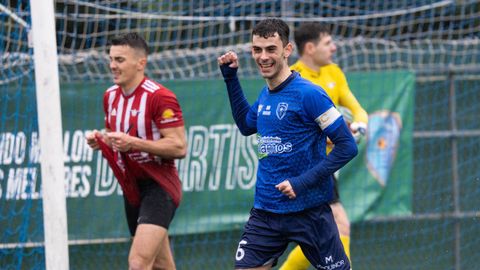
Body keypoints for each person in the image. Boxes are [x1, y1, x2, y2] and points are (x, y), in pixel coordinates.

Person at [217, 18, 357, 270]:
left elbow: (347, 146)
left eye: (271, 49)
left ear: (287, 50)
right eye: (257, 50)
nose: (263, 57)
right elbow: (247, 125)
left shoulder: (310, 94)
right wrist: (230, 78)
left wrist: (300, 183)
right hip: (267, 211)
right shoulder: (265, 94)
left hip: (310, 211)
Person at [86, 32, 186, 270]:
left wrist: (134, 143)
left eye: (120, 60)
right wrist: (101, 139)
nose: (112, 65)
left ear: (141, 63)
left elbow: (179, 146)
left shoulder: (160, 97)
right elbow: (116, 137)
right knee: (162, 265)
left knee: (139, 262)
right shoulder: (110, 96)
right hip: (132, 188)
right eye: (111, 59)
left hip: (159, 186)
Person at [279, 23, 369, 270]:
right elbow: (298, 131)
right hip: (303, 166)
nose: (334, 47)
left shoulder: (334, 72)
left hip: (324, 167)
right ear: (310, 48)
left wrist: (358, 126)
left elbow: (357, 109)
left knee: (320, 233)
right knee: (338, 225)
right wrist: (339, 135)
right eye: (328, 43)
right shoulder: (292, 78)